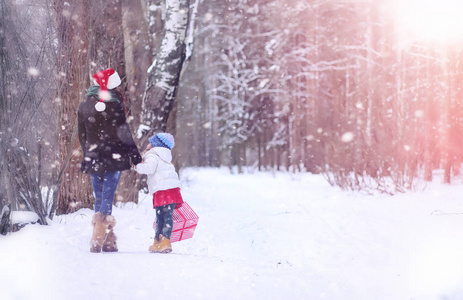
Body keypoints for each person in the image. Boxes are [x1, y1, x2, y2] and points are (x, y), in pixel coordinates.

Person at [77, 68, 142, 253]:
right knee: (107, 196)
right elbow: (124, 134)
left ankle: (106, 239)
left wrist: (89, 152)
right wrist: (135, 157)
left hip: (93, 156)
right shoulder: (115, 105)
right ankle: (99, 238)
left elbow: (82, 136)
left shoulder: (84, 106)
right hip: (115, 156)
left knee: (100, 196)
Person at [134, 132, 184, 253]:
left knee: (160, 216)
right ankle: (162, 240)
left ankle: (161, 240)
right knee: (167, 216)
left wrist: (136, 165)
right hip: (172, 190)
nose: (148, 144)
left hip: (162, 191)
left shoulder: (153, 155)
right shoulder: (166, 157)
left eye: (151, 142)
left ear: (156, 144)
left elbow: (148, 169)